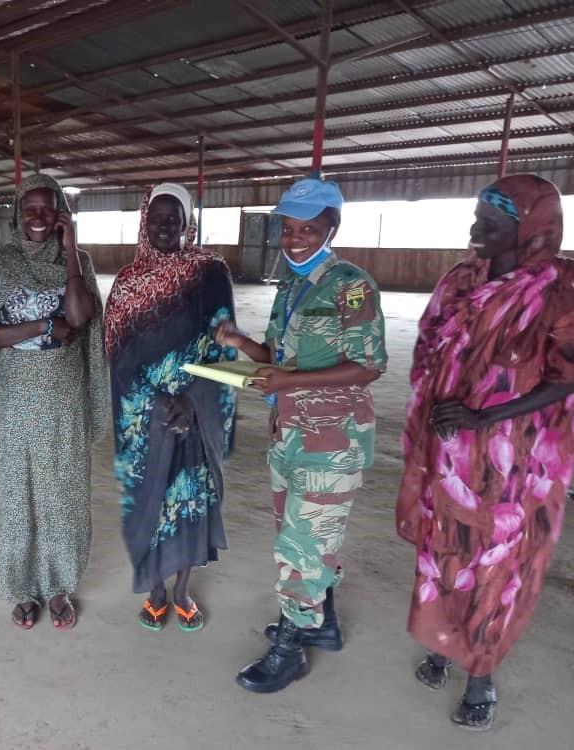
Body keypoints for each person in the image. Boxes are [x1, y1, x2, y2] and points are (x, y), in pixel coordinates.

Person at [396, 174, 574, 731]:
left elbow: (565, 376)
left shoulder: (558, 289)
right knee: (446, 550)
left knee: (496, 565)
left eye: (491, 224)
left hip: (512, 464)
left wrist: (484, 415)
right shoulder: (461, 281)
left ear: (530, 232)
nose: (475, 231)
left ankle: (481, 673)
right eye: (476, 219)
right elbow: (427, 345)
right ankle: (446, 641)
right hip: (448, 453)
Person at [216, 177, 387, 693]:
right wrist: (240, 342)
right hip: (289, 434)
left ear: (331, 227)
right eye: (287, 229)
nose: (293, 239)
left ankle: (290, 650)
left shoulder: (351, 285)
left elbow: (369, 364)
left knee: (303, 546)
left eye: (307, 229)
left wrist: (291, 381)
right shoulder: (290, 287)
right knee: (303, 536)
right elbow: (278, 359)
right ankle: (323, 624)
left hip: (331, 439)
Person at [104, 183, 236, 633]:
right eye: (156, 218)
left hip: (193, 413)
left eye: (172, 218)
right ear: (144, 221)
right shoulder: (126, 282)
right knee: (148, 503)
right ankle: (156, 592)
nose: (163, 226)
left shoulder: (209, 272)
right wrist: (153, 402)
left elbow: (224, 341)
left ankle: (181, 591)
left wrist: (194, 398)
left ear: (186, 223)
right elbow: (116, 354)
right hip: (144, 416)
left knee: (189, 504)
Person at [0, 174, 108, 630]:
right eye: (29, 208)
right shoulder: (3, 262)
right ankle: (22, 587)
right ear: (17, 213)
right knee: (20, 494)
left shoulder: (81, 260)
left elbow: (79, 315)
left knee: (64, 494)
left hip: (64, 399)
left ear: (60, 214)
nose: (38, 216)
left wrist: (70, 246)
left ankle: (59, 587)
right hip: (18, 400)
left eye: (48, 208)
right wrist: (41, 329)